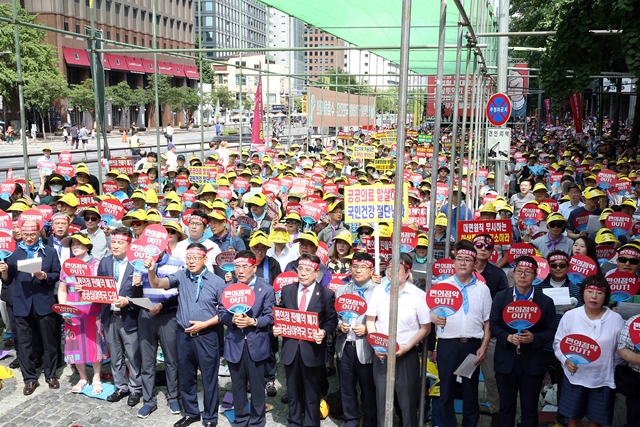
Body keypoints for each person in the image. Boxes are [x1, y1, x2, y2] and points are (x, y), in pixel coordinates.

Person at [146, 243, 227, 427]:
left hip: (207, 336)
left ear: (205, 259)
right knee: (186, 376)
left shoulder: (217, 282)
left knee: (209, 378)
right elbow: (158, 283)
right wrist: (151, 271)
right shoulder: (181, 276)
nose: (191, 262)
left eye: (195, 258)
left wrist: (204, 324)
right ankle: (191, 412)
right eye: (188, 258)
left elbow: (224, 313)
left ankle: (210, 417)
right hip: (183, 336)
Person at [490, 256, 557, 427]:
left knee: (529, 408)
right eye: (519, 271)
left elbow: (551, 331)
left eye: (528, 272)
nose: (523, 275)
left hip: (533, 362)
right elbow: (494, 324)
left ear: (535, 275)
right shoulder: (501, 297)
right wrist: (507, 337)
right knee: (506, 407)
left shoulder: (545, 301)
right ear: (513, 273)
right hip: (505, 360)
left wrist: (535, 338)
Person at [365, 253, 430, 427]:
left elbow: (426, 328)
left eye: (397, 268)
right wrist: (375, 345)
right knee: (382, 403)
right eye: (389, 267)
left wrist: (406, 348)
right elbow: (370, 320)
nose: (391, 271)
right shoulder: (378, 291)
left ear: (408, 272)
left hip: (406, 354)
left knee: (407, 404)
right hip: (381, 354)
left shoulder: (418, 295)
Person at [432, 241, 492, 427]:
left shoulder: (483, 289)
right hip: (447, 344)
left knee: (470, 391)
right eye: (459, 259)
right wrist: (434, 318)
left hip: (472, 345)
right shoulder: (442, 286)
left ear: (475, 264)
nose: (463, 263)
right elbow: (430, 313)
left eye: (467, 260)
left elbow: (487, 322)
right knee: (446, 391)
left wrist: (483, 346)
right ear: (454, 262)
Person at [273, 253, 337, 427]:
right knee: (293, 392)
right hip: (291, 349)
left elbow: (332, 320)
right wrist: (277, 327)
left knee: (311, 393)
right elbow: (280, 315)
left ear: (317, 273)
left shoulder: (326, 294)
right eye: (300, 269)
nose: (302, 273)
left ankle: (311, 423)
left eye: (308, 270)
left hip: (313, 351)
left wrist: (323, 332)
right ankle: (293, 422)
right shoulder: (288, 290)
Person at [553, 275, 624, 427]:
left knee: (596, 422)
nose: (594, 296)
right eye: (590, 291)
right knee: (573, 419)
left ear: (605, 296)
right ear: (582, 293)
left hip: (602, 380)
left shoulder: (616, 319)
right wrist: (566, 360)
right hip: (575, 377)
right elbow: (558, 343)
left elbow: (620, 351)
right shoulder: (570, 316)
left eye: (599, 293)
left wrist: (610, 365)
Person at [0, 219, 61, 395]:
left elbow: (57, 274)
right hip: (22, 303)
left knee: (49, 340)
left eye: (32, 235)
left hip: (43, 302)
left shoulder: (49, 252)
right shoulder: (14, 253)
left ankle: (51, 374)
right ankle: (29, 379)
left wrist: (44, 276)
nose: (28, 238)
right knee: (25, 343)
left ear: (39, 234)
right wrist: (3, 272)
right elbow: (8, 279)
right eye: (25, 235)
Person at [219, 251, 275, 427]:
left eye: (245, 267)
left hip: (256, 343)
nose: (240, 271)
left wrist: (254, 321)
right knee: (238, 385)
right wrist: (231, 319)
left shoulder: (266, 289)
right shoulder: (227, 288)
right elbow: (221, 313)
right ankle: (241, 419)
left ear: (254, 268)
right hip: (234, 343)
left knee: (258, 386)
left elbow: (270, 317)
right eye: (237, 266)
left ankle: (257, 421)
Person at [132, 247, 184, 418]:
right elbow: (135, 293)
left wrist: (164, 304)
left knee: (172, 359)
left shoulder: (177, 264)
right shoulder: (139, 264)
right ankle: (148, 401)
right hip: (146, 315)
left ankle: (173, 396)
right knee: (147, 360)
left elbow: (181, 293)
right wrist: (137, 285)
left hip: (168, 316)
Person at [535, 250, 582, 426]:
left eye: (562, 265)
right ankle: (531, 414)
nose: (557, 268)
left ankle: (563, 416)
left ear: (568, 267)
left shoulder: (577, 289)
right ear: (549, 266)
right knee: (533, 381)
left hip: (566, 345)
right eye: (553, 265)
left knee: (565, 383)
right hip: (541, 342)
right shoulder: (538, 287)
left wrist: (575, 314)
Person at [97, 228, 143, 407]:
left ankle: (136, 388)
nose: (115, 246)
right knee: (115, 354)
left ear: (129, 245)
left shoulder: (136, 264)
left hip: (129, 316)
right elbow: (99, 286)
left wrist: (129, 300)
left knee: (133, 354)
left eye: (120, 243)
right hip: (109, 315)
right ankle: (121, 386)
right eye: (113, 242)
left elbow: (144, 294)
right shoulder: (105, 262)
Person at [58, 233, 106, 395]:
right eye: (73, 244)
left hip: (92, 311)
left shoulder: (97, 264)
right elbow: (62, 289)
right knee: (75, 346)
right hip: (72, 314)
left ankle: (97, 377)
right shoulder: (66, 265)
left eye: (79, 244)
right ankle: (83, 377)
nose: (75, 246)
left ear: (87, 246)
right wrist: (63, 308)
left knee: (95, 345)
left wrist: (87, 288)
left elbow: (103, 290)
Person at [337, 252, 378, 427]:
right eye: (354, 266)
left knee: (369, 390)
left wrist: (368, 330)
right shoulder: (342, 290)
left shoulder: (379, 291)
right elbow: (335, 316)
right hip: (346, 345)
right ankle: (351, 421)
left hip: (367, 347)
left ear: (372, 269)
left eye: (363, 267)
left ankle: (370, 422)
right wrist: (340, 325)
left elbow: (385, 321)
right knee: (346, 388)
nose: (358, 270)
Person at [472, 234, 508, 425]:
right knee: (465, 376)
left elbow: (503, 303)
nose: (483, 248)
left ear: (493, 251)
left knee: (492, 377)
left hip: (490, 333)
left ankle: (496, 412)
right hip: (466, 332)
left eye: (488, 246)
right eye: (478, 244)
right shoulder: (463, 270)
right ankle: (470, 412)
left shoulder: (498, 274)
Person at [617, 314, 640, 427]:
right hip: (636, 378)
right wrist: (638, 358)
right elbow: (622, 348)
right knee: (635, 418)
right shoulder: (635, 321)